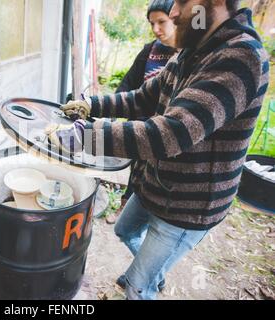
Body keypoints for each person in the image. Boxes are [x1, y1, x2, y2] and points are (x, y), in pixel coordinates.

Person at [46, 0, 269, 300]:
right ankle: (151, 271)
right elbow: (141, 99)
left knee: (137, 288)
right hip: (158, 185)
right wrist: (91, 105)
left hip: (189, 208)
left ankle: (145, 280)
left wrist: (83, 137)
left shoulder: (240, 58)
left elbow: (170, 133)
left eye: (182, 1)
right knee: (124, 230)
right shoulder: (191, 51)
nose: (174, 12)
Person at [117, 0, 179, 204]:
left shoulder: (185, 57)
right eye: (152, 24)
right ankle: (128, 200)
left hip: (165, 132)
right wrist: (108, 111)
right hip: (141, 123)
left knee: (153, 174)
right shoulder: (150, 50)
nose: (156, 29)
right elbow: (129, 83)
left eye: (161, 22)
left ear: (177, 17)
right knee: (136, 166)